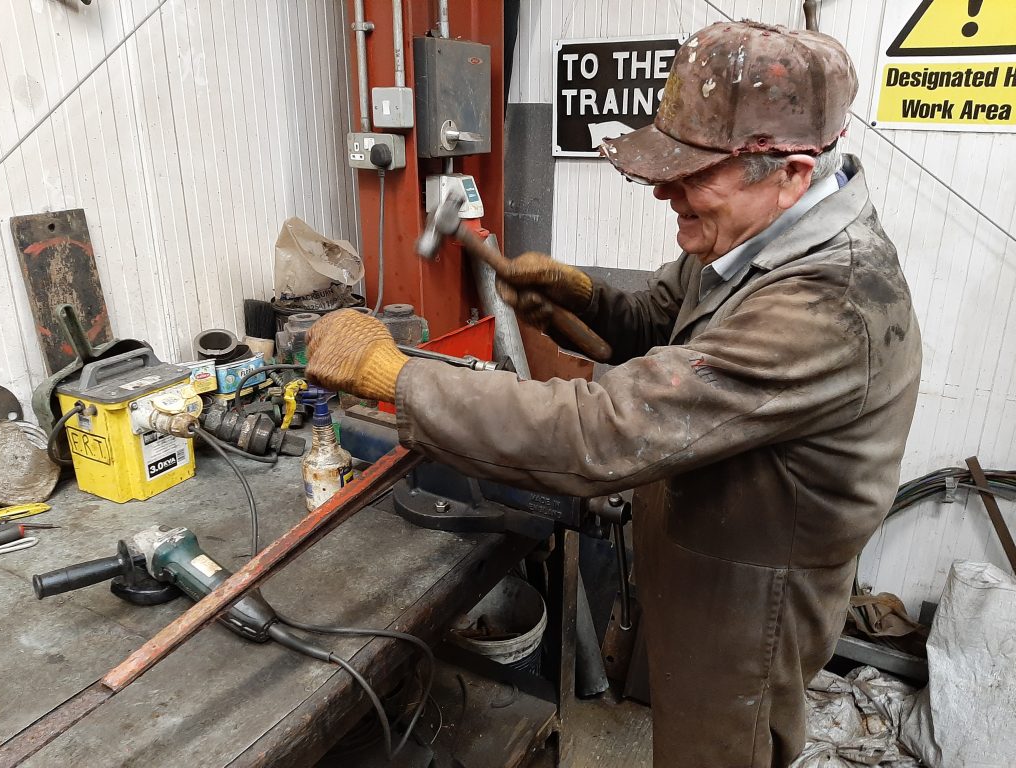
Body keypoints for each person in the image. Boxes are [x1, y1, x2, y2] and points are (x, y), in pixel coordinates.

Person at [305, 20, 922, 768]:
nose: (664, 191)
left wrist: (391, 375)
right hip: (707, 562)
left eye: (692, 174)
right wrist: (584, 299)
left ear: (790, 171)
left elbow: (599, 432)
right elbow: (665, 318)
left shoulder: (830, 306)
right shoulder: (755, 239)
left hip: (749, 616)